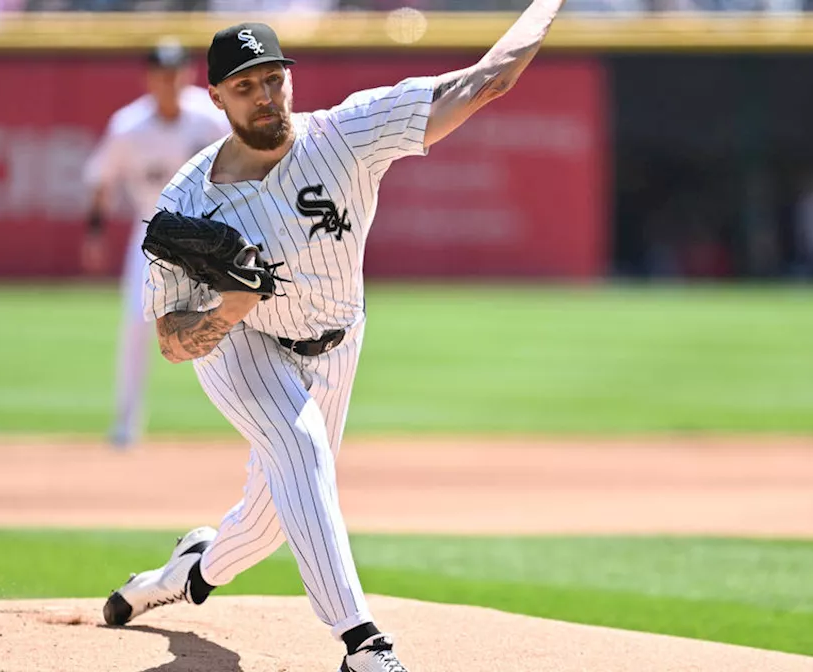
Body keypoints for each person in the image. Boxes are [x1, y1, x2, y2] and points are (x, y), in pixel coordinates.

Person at [101, 5, 567, 670]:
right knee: (301, 447)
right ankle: (362, 643)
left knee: (264, 526)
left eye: (273, 80)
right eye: (245, 87)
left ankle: (187, 572)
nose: (264, 96)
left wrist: (548, 5)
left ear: (289, 78)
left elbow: (486, 81)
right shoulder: (187, 203)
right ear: (217, 98)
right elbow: (173, 343)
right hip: (245, 344)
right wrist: (231, 306)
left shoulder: (345, 135)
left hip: (338, 341)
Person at [83, 38, 231, 449]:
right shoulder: (128, 126)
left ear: (186, 74)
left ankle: (256, 422)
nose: (169, 81)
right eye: (161, 74)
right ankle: (127, 423)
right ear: (150, 78)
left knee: (242, 320)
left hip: (209, 233)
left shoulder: (210, 116)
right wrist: (94, 232)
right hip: (152, 236)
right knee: (136, 323)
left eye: (175, 72)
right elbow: (101, 179)